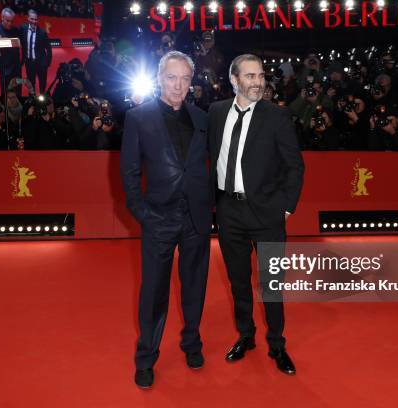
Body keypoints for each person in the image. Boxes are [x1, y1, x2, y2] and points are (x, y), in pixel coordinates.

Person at [208, 54, 304, 375]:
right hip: (229, 212)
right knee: (238, 283)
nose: (257, 82)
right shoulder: (217, 111)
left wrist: (287, 207)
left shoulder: (277, 117)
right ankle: (246, 336)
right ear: (234, 80)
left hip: (266, 214)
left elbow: (294, 165)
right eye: (249, 76)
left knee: (272, 285)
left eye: (260, 76)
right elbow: (210, 156)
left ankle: (277, 344)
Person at [120, 51, 211, 389]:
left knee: (195, 286)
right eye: (172, 78)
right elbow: (129, 173)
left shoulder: (202, 118)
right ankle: (146, 357)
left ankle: (192, 343)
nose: (178, 85)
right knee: (154, 292)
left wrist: (211, 205)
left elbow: (213, 166)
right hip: (159, 217)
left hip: (196, 218)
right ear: (160, 78)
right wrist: (144, 214)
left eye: (185, 79)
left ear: (191, 82)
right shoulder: (138, 118)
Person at [0, 8, 22, 96]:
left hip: (16, 69)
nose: (10, 23)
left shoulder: (15, 30)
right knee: (5, 94)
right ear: (2, 17)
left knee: (17, 93)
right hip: (4, 68)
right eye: (8, 20)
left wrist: (20, 64)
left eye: (12, 21)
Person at [19, 9, 52, 95]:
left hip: (41, 63)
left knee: (42, 83)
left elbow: (49, 49)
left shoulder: (42, 33)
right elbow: (12, 31)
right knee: (31, 84)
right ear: (28, 18)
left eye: (36, 19)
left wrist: (47, 63)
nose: (34, 21)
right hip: (29, 63)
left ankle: (42, 99)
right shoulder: (23, 29)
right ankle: (32, 100)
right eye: (32, 19)